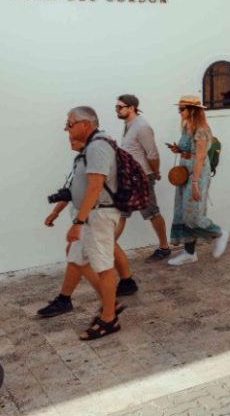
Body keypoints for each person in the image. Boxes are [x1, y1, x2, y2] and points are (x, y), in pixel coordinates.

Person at [41, 107, 125, 340]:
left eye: (70, 124)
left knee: (104, 268)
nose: (66, 129)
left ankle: (109, 319)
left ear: (85, 124)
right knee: (77, 257)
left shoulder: (97, 147)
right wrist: (59, 212)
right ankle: (110, 304)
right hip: (90, 216)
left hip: (97, 216)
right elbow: (79, 187)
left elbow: (96, 187)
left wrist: (78, 222)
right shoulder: (91, 147)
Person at [166, 95, 229, 266]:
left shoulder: (201, 130)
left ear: (192, 110)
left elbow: (200, 158)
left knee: (192, 215)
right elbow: (190, 152)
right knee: (183, 211)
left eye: (182, 109)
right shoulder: (187, 127)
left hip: (197, 175)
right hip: (186, 172)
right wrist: (179, 150)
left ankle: (218, 233)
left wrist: (195, 183)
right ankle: (189, 252)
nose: (179, 112)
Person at [115, 94, 170, 261]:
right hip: (127, 177)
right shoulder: (129, 124)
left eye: (120, 107)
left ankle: (164, 247)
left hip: (141, 178)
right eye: (116, 107)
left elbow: (152, 153)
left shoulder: (142, 127)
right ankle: (106, 250)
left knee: (152, 212)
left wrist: (156, 171)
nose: (116, 110)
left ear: (131, 108)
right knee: (120, 213)